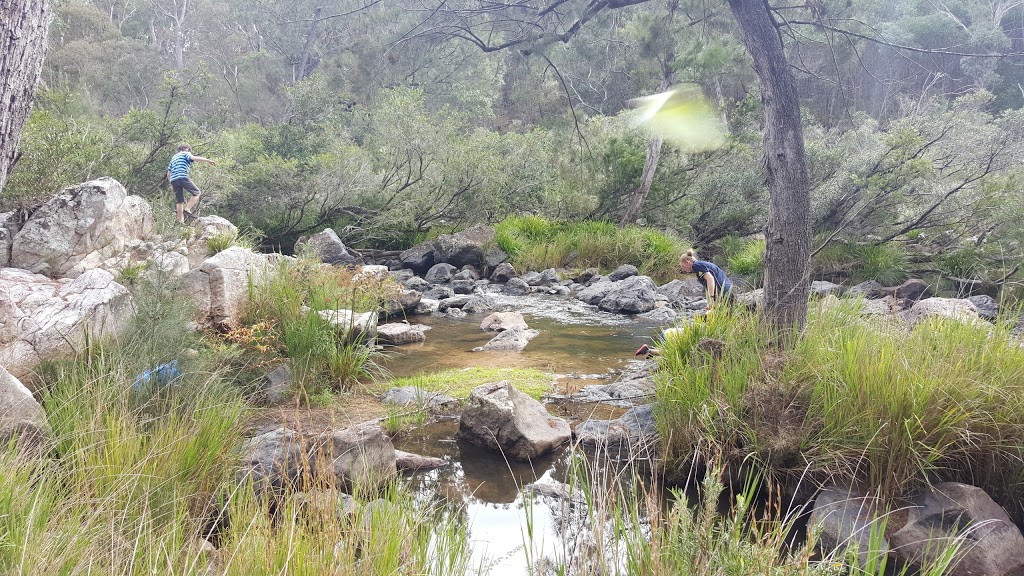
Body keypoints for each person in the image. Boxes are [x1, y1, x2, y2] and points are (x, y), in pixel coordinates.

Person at [167, 143, 216, 224]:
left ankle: (181, 222)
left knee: (179, 202)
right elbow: (193, 158)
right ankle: (187, 209)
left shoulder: (174, 157)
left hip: (173, 180)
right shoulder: (186, 153)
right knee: (197, 193)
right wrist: (207, 160)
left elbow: (168, 173)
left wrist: (171, 184)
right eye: (190, 150)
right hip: (182, 176)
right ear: (187, 149)